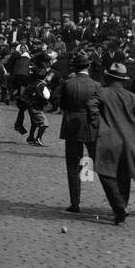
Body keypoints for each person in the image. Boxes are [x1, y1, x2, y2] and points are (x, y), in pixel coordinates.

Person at [87, 61, 135, 225]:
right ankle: (123, 206)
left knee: (106, 173)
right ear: (124, 80)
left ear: (108, 77)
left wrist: (97, 124)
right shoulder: (133, 97)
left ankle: (119, 207)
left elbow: (91, 106)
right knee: (124, 175)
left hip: (108, 139)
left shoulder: (102, 92)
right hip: (130, 142)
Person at [58, 53, 99, 213]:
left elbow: (62, 104)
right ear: (88, 66)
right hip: (91, 126)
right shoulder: (97, 85)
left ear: (75, 67)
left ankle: (75, 203)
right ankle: (114, 200)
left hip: (72, 125)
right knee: (99, 161)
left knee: (73, 165)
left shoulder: (68, 84)